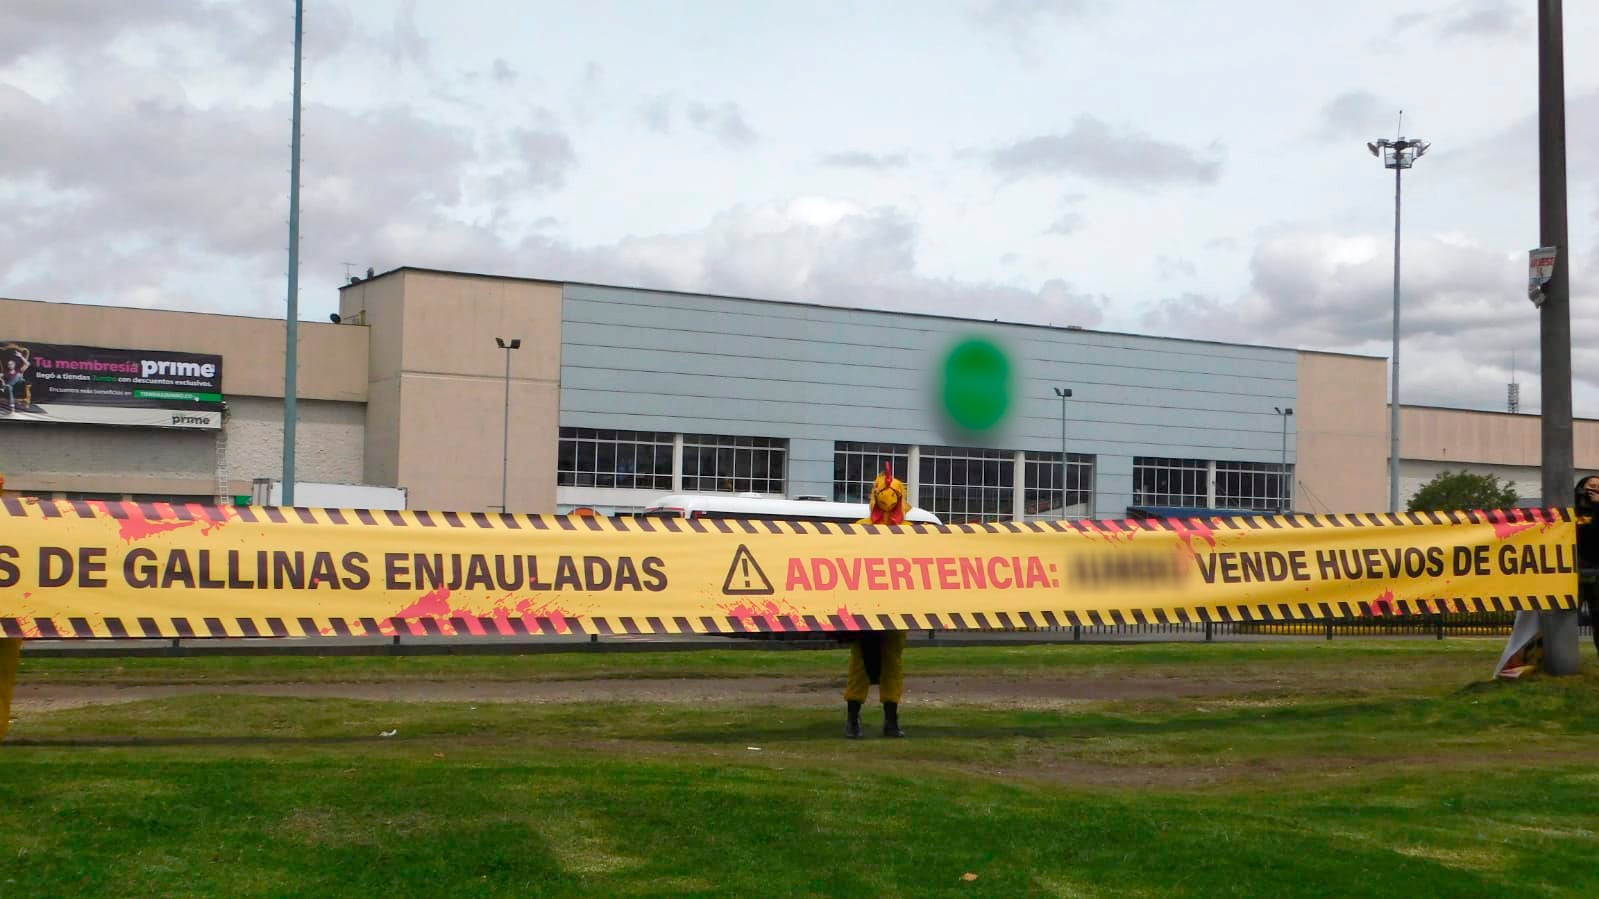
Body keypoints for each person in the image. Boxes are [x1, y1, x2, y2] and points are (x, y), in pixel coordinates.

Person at [841, 461, 911, 739]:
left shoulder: (910, 532)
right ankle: (854, 719)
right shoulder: (860, 529)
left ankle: (888, 721)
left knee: (891, 664)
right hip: (865, 610)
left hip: (896, 609)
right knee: (861, 663)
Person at [1575, 476, 1599, 658]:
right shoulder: (1572, 511)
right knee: (1565, 615)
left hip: (1596, 571)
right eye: (1591, 487)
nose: (1595, 490)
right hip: (1574, 572)